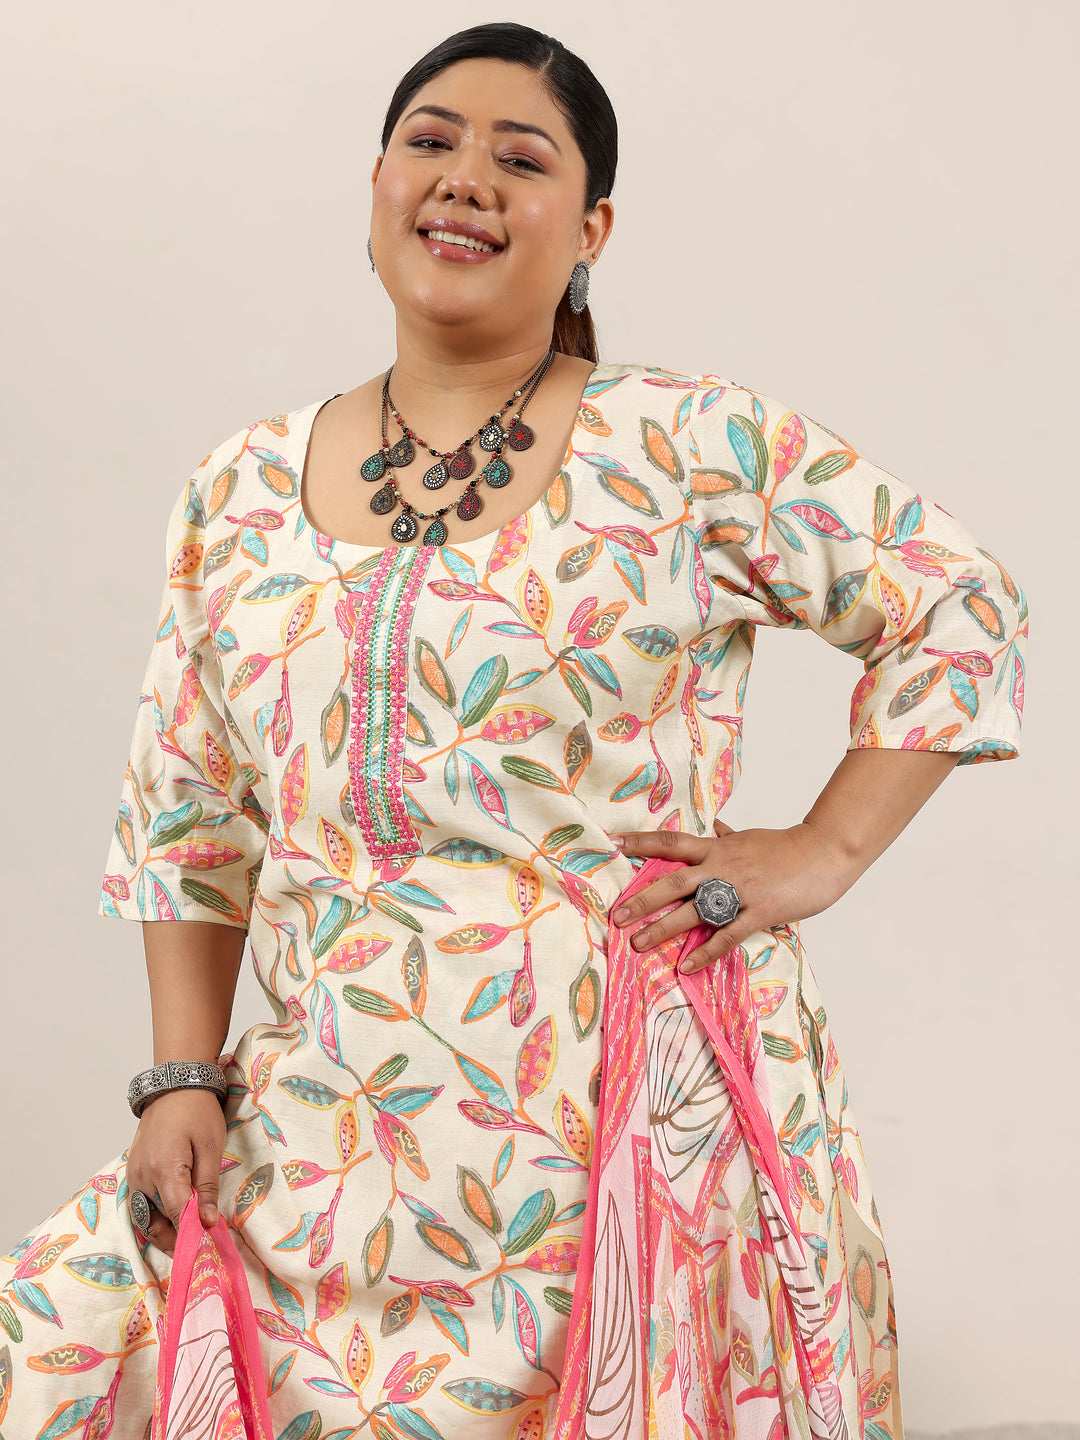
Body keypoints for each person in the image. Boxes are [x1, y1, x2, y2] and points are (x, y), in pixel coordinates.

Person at [0, 21, 1027, 1440]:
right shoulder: (237, 489)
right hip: (327, 1121)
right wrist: (182, 1075)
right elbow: (189, 808)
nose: (465, 177)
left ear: (592, 228)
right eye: (430, 141)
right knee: (64, 1343)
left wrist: (824, 850)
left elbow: (958, 602)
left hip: (615, 1124)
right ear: (375, 187)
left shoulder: (684, 447)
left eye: (522, 158)